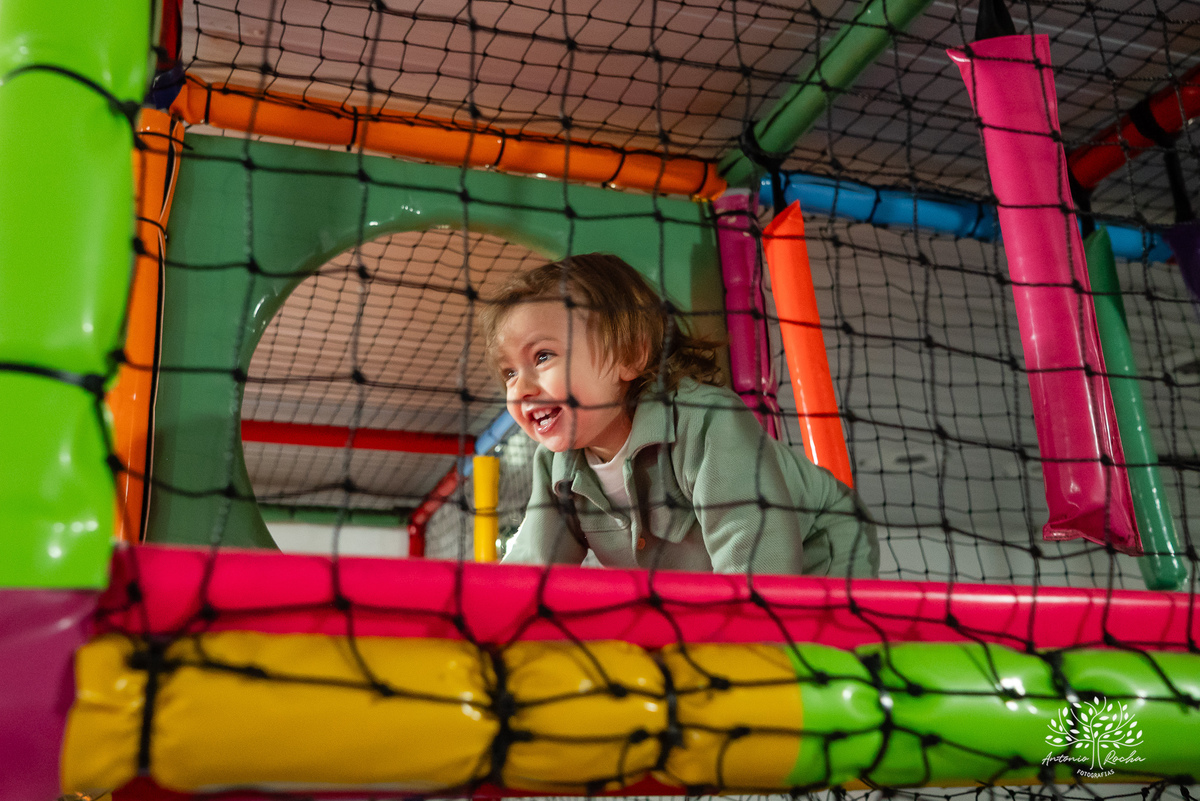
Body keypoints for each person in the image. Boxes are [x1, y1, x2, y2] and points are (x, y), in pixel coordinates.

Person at [481, 253, 878, 577]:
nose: (521, 387)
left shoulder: (705, 421)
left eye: (543, 356)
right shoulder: (556, 467)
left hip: (819, 553)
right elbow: (533, 569)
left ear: (630, 356)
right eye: (509, 372)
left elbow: (755, 551)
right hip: (697, 586)